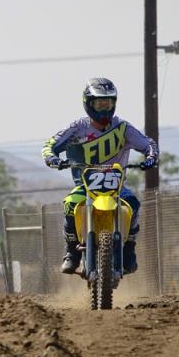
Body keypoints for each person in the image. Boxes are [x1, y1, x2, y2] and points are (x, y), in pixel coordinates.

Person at [40, 78, 159, 275]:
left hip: (116, 186)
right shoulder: (78, 127)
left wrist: (151, 157)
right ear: (88, 103)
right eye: (99, 104)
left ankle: (129, 248)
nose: (104, 109)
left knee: (134, 205)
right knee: (70, 205)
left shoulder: (122, 127)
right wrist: (52, 158)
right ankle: (71, 252)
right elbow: (50, 144)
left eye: (109, 103)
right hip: (85, 186)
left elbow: (149, 144)